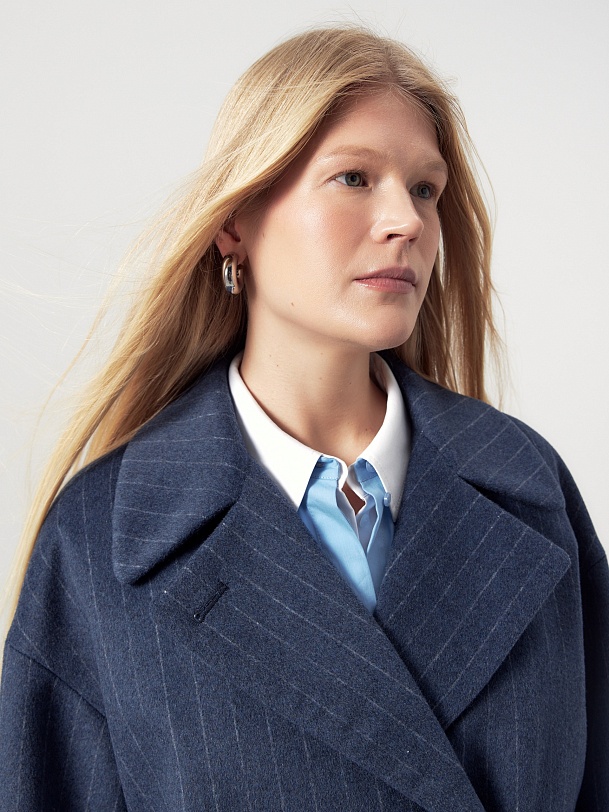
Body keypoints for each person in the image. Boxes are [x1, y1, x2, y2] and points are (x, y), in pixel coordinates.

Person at [0, 25, 607, 812]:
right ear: (236, 222)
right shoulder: (106, 536)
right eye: (354, 178)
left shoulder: (525, 489)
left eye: (424, 189)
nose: (406, 220)